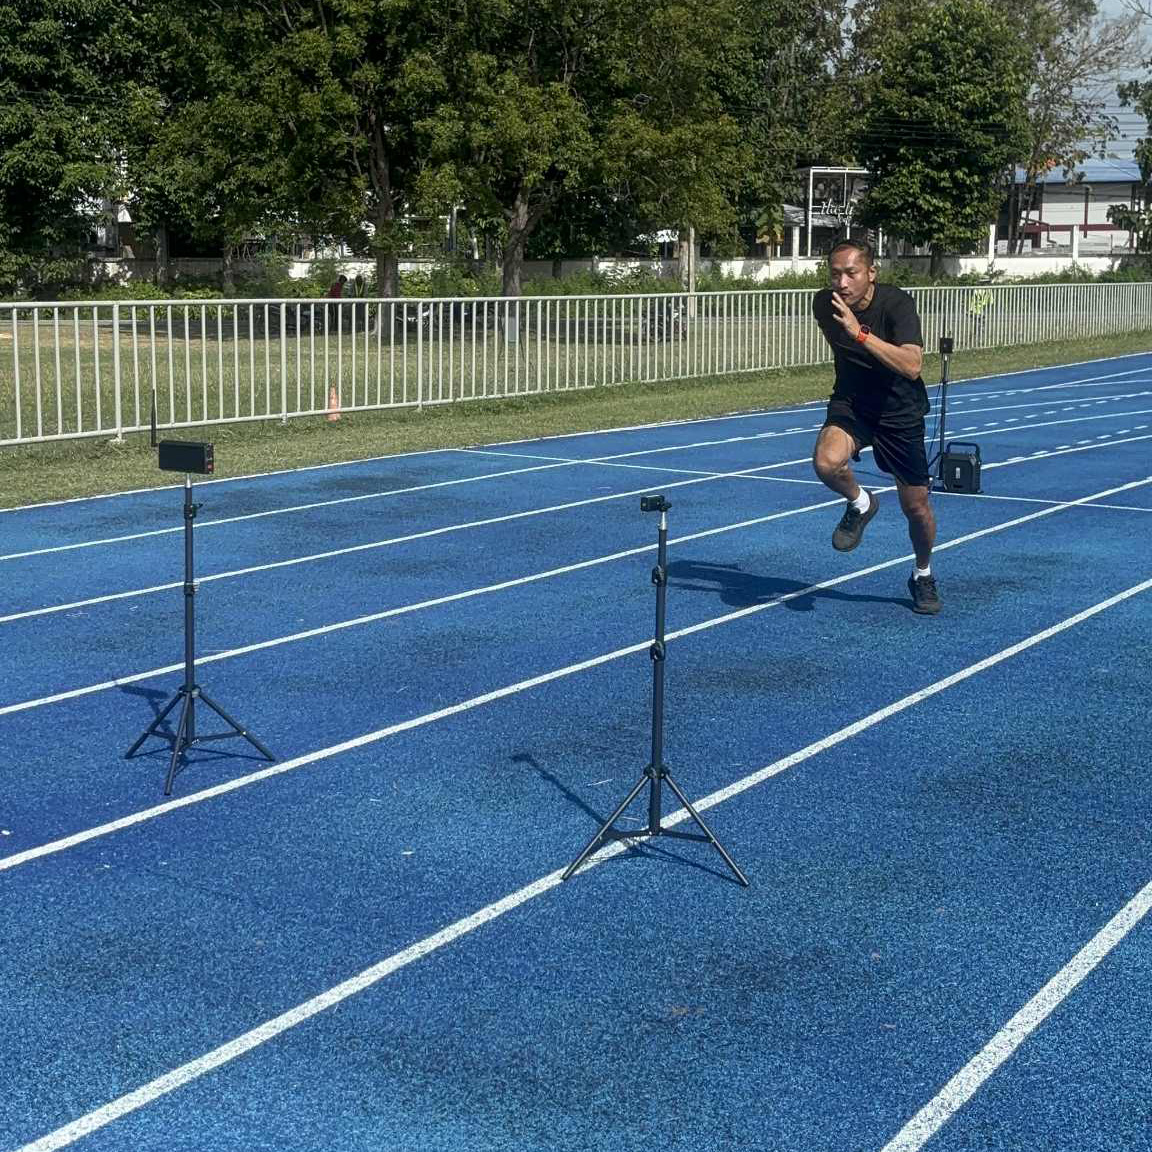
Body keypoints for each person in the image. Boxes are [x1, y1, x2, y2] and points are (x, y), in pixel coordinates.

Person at [811, 239, 940, 615]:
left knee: (916, 507)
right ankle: (861, 502)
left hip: (899, 410)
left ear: (871, 273)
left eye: (851, 273)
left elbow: (912, 366)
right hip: (853, 404)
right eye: (835, 274)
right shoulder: (824, 304)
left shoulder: (897, 304)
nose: (842, 283)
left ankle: (922, 573)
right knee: (826, 462)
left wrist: (861, 334)